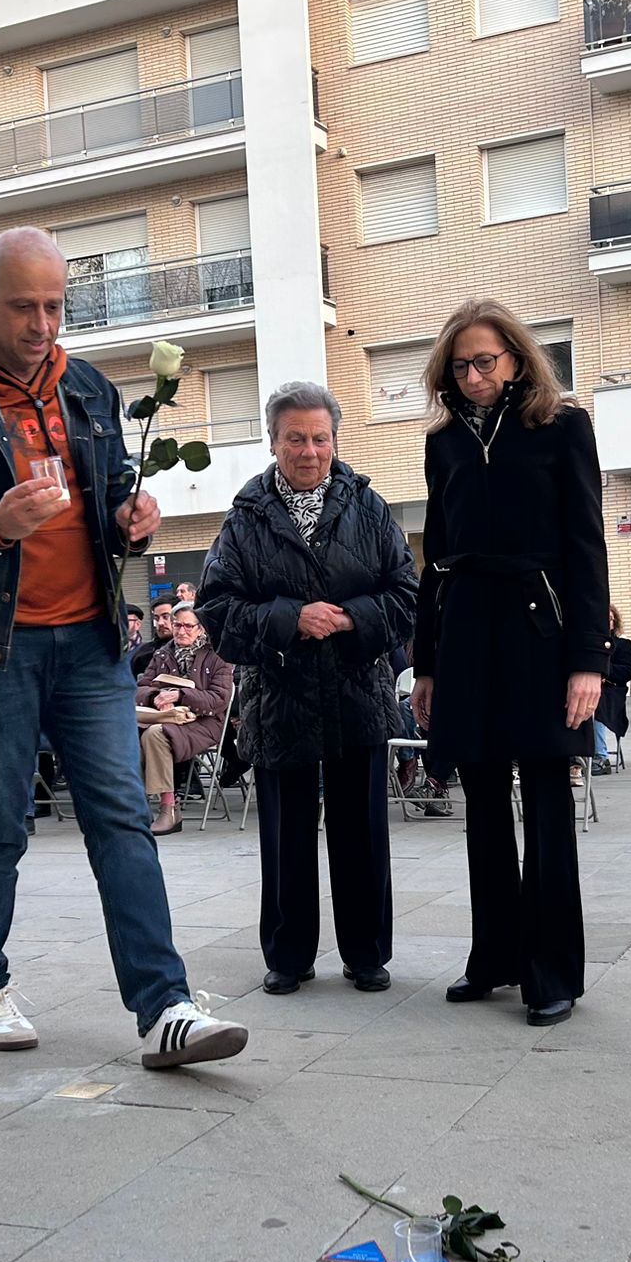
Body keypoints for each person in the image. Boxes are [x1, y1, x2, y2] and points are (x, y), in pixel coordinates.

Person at [0, 222, 248, 1069]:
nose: (43, 325)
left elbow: (112, 485)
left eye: (54, 306)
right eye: (23, 308)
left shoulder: (86, 387)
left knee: (123, 819)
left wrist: (133, 515)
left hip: (89, 643)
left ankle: (165, 1009)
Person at [410, 299, 609, 1029]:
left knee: (549, 800)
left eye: (484, 361)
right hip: (465, 632)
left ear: (517, 360)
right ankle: (492, 956)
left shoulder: (562, 427)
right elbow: (434, 556)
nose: (472, 375)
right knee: (483, 804)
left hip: (540, 632)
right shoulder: (443, 443)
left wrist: (588, 660)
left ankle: (552, 970)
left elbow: (588, 545)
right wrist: (425, 662)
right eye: (459, 364)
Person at [200, 380, 418, 993]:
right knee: (286, 836)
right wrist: (290, 618)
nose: (309, 450)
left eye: (320, 438)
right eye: (295, 438)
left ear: (334, 439)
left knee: (363, 833)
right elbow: (218, 611)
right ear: (273, 442)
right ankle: (288, 956)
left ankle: (367, 953)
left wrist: (349, 618)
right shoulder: (244, 520)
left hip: (357, 692)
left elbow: (406, 597)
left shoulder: (368, 508)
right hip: (281, 695)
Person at [132, 604, 233, 836]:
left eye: (188, 626)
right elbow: (140, 688)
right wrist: (155, 696)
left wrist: (180, 695)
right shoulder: (163, 653)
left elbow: (220, 699)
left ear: (201, 629)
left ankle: (169, 808)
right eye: (177, 624)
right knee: (127, 734)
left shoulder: (217, 656)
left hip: (204, 722)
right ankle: (132, 804)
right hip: (166, 717)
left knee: (155, 734)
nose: (181, 631)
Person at [593, 605, 631, 773]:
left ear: (614, 622)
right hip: (592, 688)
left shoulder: (623, 645)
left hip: (612, 690)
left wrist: (603, 671)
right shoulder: (590, 645)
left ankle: (600, 756)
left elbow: (626, 672)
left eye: (609, 619)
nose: (606, 622)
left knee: (595, 703)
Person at [129, 596, 173, 676]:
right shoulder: (144, 653)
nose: (160, 623)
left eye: (165, 617)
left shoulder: (194, 651)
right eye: (156, 618)